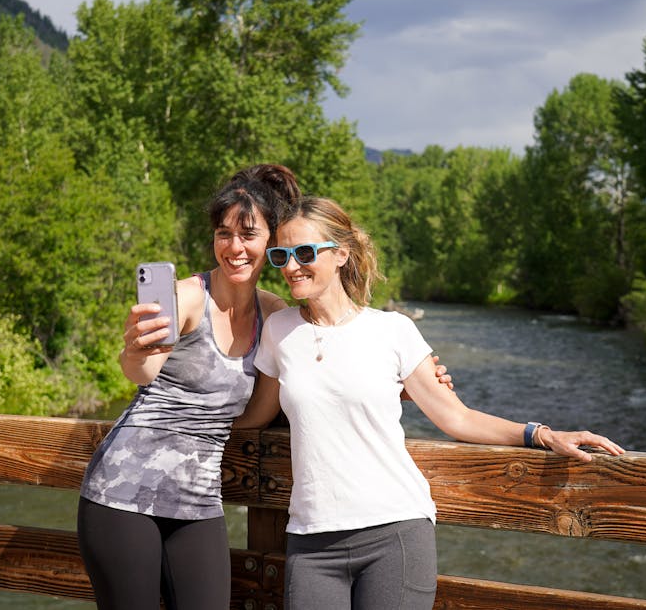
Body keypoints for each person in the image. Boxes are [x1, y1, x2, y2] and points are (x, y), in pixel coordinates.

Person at [77, 166, 451, 610]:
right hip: (123, 492)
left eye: (248, 234)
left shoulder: (274, 315)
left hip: (198, 500)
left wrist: (395, 382)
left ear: (270, 243)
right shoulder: (187, 298)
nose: (234, 247)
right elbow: (140, 373)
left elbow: (300, 380)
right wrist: (135, 349)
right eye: (223, 233)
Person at [234, 196, 626, 610]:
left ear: (341, 254)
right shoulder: (279, 330)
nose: (292, 266)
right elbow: (256, 415)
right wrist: (183, 416)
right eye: (282, 255)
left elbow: (455, 417)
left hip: (394, 533)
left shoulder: (392, 330)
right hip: (312, 539)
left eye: (306, 252)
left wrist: (540, 434)